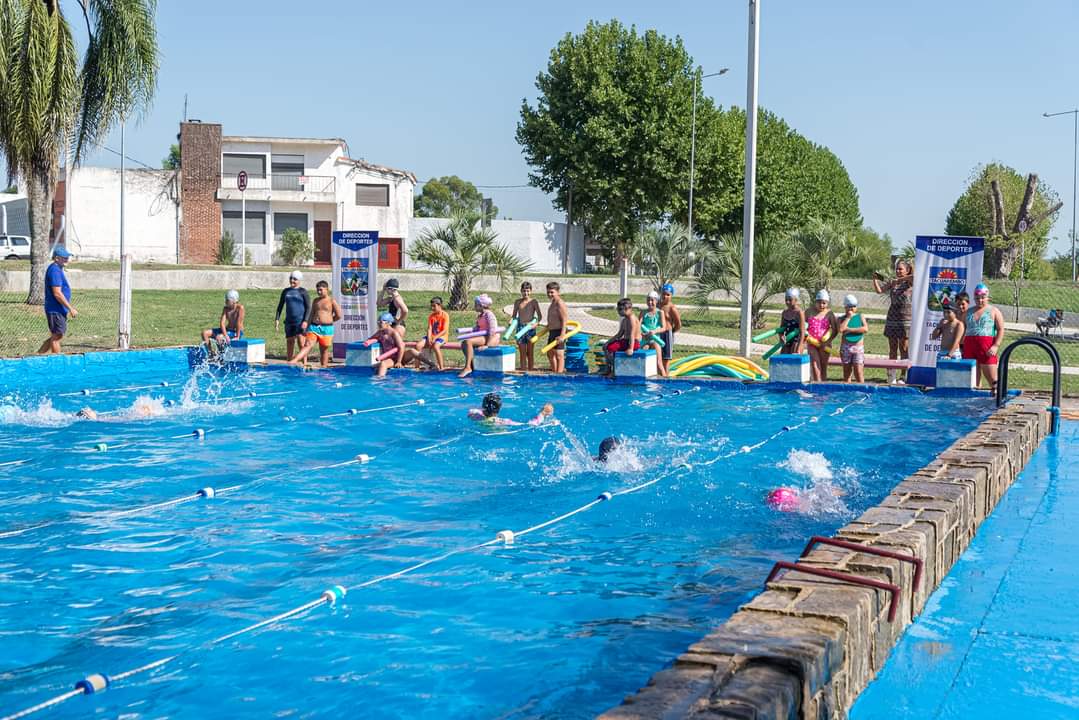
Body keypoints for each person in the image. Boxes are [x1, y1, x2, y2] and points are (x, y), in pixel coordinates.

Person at [873, 260, 913, 384]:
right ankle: (892, 375)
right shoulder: (892, 282)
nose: (898, 271)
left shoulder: (910, 282)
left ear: (907, 270)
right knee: (892, 348)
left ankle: (903, 376)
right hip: (892, 318)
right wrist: (874, 279)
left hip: (905, 319)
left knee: (904, 348)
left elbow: (915, 276)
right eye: (896, 269)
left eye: (900, 269)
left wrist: (900, 280)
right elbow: (879, 291)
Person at [962, 283, 1005, 392]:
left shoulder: (994, 311)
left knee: (993, 380)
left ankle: (997, 399)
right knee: (972, 381)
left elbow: (1001, 329)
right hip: (970, 347)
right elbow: (962, 329)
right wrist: (960, 346)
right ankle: (974, 402)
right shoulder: (968, 312)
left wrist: (996, 345)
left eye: (982, 298)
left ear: (987, 298)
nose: (980, 300)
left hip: (987, 348)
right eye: (977, 298)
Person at [290, 280, 342, 369]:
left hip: (327, 329)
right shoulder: (316, 301)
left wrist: (329, 321)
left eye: (321, 290)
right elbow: (311, 314)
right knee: (308, 345)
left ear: (327, 290)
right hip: (314, 327)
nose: (319, 292)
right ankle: (294, 361)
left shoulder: (331, 301)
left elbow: (339, 315)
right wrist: (307, 326)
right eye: (317, 290)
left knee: (324, 350)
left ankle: (324, 367)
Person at [38, 246, 77, 354]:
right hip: (55, 309)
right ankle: (57, 361)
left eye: (67, 257)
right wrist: (70, 308)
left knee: (56, 335)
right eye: (64, 257)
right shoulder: (55, 270)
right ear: (56, 258)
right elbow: (57, 293)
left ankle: (38, 355)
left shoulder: (57, 269)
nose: (67, 259)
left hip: (58, 309)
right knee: (57, 336)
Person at [458, 294, 502, 378]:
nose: (474, 306)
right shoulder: (480, 315)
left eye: (476, 304)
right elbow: (478, 327)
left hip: (489, 337)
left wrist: (487, 345)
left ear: (481, 305)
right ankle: (471, 366)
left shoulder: (489, 315)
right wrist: (470, 332)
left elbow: (492, 330)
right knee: (464, 343)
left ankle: (467, 367)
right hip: (482, 336)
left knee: (468, 342)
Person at [405, 296, 449, 370]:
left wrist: (435, 338)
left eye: (434, 306)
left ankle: (441, 367)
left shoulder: (445, 315)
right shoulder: (431, 316)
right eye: (431, 306)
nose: (432, 308)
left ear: (440, 305)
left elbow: (444, 330)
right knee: (418, 345)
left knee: (436, 346)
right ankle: (417, 367)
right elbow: (429, 328)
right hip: (432, 336)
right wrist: (429, 338)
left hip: (442, 337)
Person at [275, 270, 311, 360]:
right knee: (290, 342)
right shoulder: (286, 291)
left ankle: (304, 363)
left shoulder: (303, 292)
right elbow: (280, 306)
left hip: (300, 321)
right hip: (289, 322)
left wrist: (305, 321)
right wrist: (277, 319)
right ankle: (289, 361)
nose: (292, 281)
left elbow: (308, 307)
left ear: (299, 280)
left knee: (301, 342)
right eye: (291, 278)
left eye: (295, 279)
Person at [805, 290, 839, 381]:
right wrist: (805, 336)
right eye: (819, 303)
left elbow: (835, 330)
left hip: (825, 345)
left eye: (824, 303)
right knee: (815, 367)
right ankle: (816, 388)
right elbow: (802, 326)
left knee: (823, 368)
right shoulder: (809, 312)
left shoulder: (829, 314)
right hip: (812, 343)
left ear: (827, 303)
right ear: (815, 302)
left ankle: (823, 391)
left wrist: (828, 341)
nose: (821, 305)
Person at [468, 392, 554, 427]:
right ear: (499, 408)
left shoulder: (474, 415)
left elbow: (471, 411)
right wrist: (543, 413)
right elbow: (529, 425)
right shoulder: (503, 421)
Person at [603, 298, 641, 376]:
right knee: (607, 347)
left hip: (634, 343)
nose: (618, 311)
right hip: (626, 341)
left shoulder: (632, 318)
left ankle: (614, 370)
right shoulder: (624, 320)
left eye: (620, 309)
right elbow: (619, 334)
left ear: (627, 309)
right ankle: (609, 369)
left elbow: (632, 334)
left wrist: (630, 348)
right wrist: (608, 342)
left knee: (610, 348)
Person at [510, 281, 542, 371]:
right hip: (520, 329)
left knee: (530, 352)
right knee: (522, 353)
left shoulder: (534, 302)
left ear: (531, 291)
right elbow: (514, 316)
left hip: (530, 328)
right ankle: (524, 371)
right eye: (524, 291)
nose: (526, 293)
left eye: (528, 291)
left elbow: (540, 316)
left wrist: (535, 324)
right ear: (521, 291)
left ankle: (531, 371)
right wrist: (511, 321)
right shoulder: (517, 302)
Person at [837, 294, 868, 383]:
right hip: (846, 347)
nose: (851, 309)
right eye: (849, 307)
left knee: (858, 371)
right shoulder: (841, 318)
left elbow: (865, 329)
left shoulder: (860, 316)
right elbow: (841, 329)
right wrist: (848, 318)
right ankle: (848, 392)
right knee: (846, 373)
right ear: (845, 307)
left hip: (858, 347)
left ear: (856, 307)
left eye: (853, 307)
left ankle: (862, 390)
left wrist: (850, 330)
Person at [364, 312, 406, 377]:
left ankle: (380, 380)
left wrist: (399, 361)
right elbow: (370, 339)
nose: (379, 324)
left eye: (381, 322)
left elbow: (401, 347)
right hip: (386, 358)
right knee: (376, 365)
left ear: (389, 323)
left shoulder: (394, 333)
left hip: (394, 359)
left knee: (383, 364)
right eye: (378, 322)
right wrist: (372, 341)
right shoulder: (380, 332)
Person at [639, 291, 670, 377]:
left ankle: (665, 381)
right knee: (641, 360)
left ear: (656, 301)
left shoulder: (660, 313)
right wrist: (642, 334)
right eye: (648, 300)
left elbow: (664, 328)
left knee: (659, 363)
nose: (650, 302)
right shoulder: (643, 313)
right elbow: (638, 325)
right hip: (645, 340)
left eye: (652, 300)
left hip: (655, 339)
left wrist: (654, 331)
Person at [545, 281, 569, 373]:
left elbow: (564, 320)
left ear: (558, 292)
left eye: (552, 292)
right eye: (548, 292)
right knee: (550, 353)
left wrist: (562, 335)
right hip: (552, 331)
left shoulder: (559, 303)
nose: (550, 294)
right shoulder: (552, 303)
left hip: (559, 331)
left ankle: (559, 375)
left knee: (559, 355)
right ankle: (555, 372)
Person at [658, 283, 681, 374]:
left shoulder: (672, 308)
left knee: (666, 359)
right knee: (658, 357)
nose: (665, 296)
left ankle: (666, 377)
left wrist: (672, 331)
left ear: (671, 295)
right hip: (658, 333)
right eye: (664, 294)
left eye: (668, 294)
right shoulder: (658, 305)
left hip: (667, 334)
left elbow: (678, 324)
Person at [778, 288, 806, 354]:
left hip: (797, 341)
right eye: (786, 299)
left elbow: (802, 332)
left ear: (796, 300)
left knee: (793, 360)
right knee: (783, 360)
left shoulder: (799, 313)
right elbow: (781, 329)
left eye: (790, 300)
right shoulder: (785, 312)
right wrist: (781, 336)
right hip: (787, 339)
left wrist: (799, 347)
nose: (787, 302)